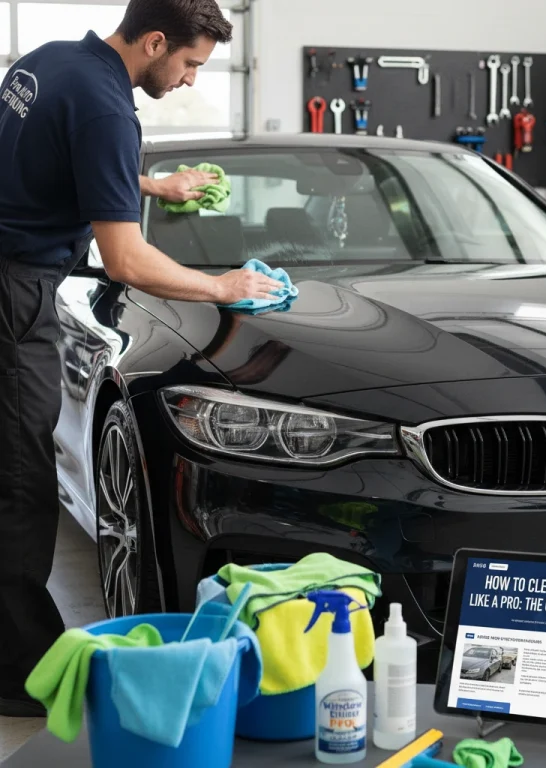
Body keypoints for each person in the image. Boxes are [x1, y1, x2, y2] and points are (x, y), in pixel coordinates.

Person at [0, 0, 282, 718]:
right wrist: (222, 284)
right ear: (154, 40)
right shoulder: (108, 111)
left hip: (10, 273)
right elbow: (124, 260)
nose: (189, 81)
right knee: (21, 486)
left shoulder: (48, 62)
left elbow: (43, 160)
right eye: (188, 63)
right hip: (17, 294)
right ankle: (21, 676)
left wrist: (151, 185)